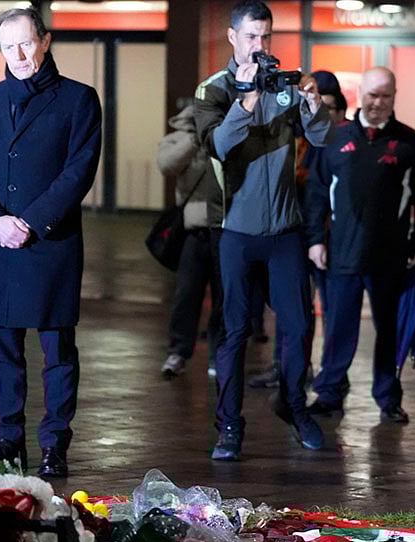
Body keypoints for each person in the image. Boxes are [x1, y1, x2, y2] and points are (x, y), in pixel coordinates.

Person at [0, 7, 102, 478]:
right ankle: (8, 440)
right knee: (3, 349)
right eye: (7, 46)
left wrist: (32, 222)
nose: (17, 55)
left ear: (45, 40)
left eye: (25, 44)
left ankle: (54, 444)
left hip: (50, 241)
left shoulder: (79, 100)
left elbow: (78, 171)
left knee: (58, 348)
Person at [195, 0, 333, 460]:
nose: (259, 45)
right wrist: (248, 98)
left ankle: (293, 405)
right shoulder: (213, 90)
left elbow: (319, 138)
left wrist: (313, 104)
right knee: (235, 331)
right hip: (234, 229)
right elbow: (216, 144)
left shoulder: (284, 86)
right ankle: (229, 426)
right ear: (232, 37)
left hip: (285, 230)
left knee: (297, 326)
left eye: (266, 37)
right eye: (251, 36)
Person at [305, 67, 415, 424]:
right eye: (372, 95)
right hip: (342, 255)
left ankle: (388, 398)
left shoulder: (409, 142)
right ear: (359, 94)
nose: (378, 103)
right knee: (337, 328)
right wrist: (316, 240)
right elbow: (316, 192)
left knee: (390, 330)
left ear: (395, 97)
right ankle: (329, 393)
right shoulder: (335, 138)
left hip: (390, 257)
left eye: (386, 96)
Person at [248, 69, 349, 391]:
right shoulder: (297, 139)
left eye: (331, 109)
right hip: (295, 232)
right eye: (321, 106)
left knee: (331, 309)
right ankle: (288, 368)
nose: (325, 114)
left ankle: (334, 375)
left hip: (327, 237)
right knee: (290, 307)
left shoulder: (339, 142)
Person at [158, 98, 223, 380]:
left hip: (226, 229)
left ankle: (219, 354)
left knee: (225, 297)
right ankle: (178, 351)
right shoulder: (179, 138)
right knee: (186, 295)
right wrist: (197, 138)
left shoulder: (227, 133)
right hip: (193, 231)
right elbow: (167, 165)